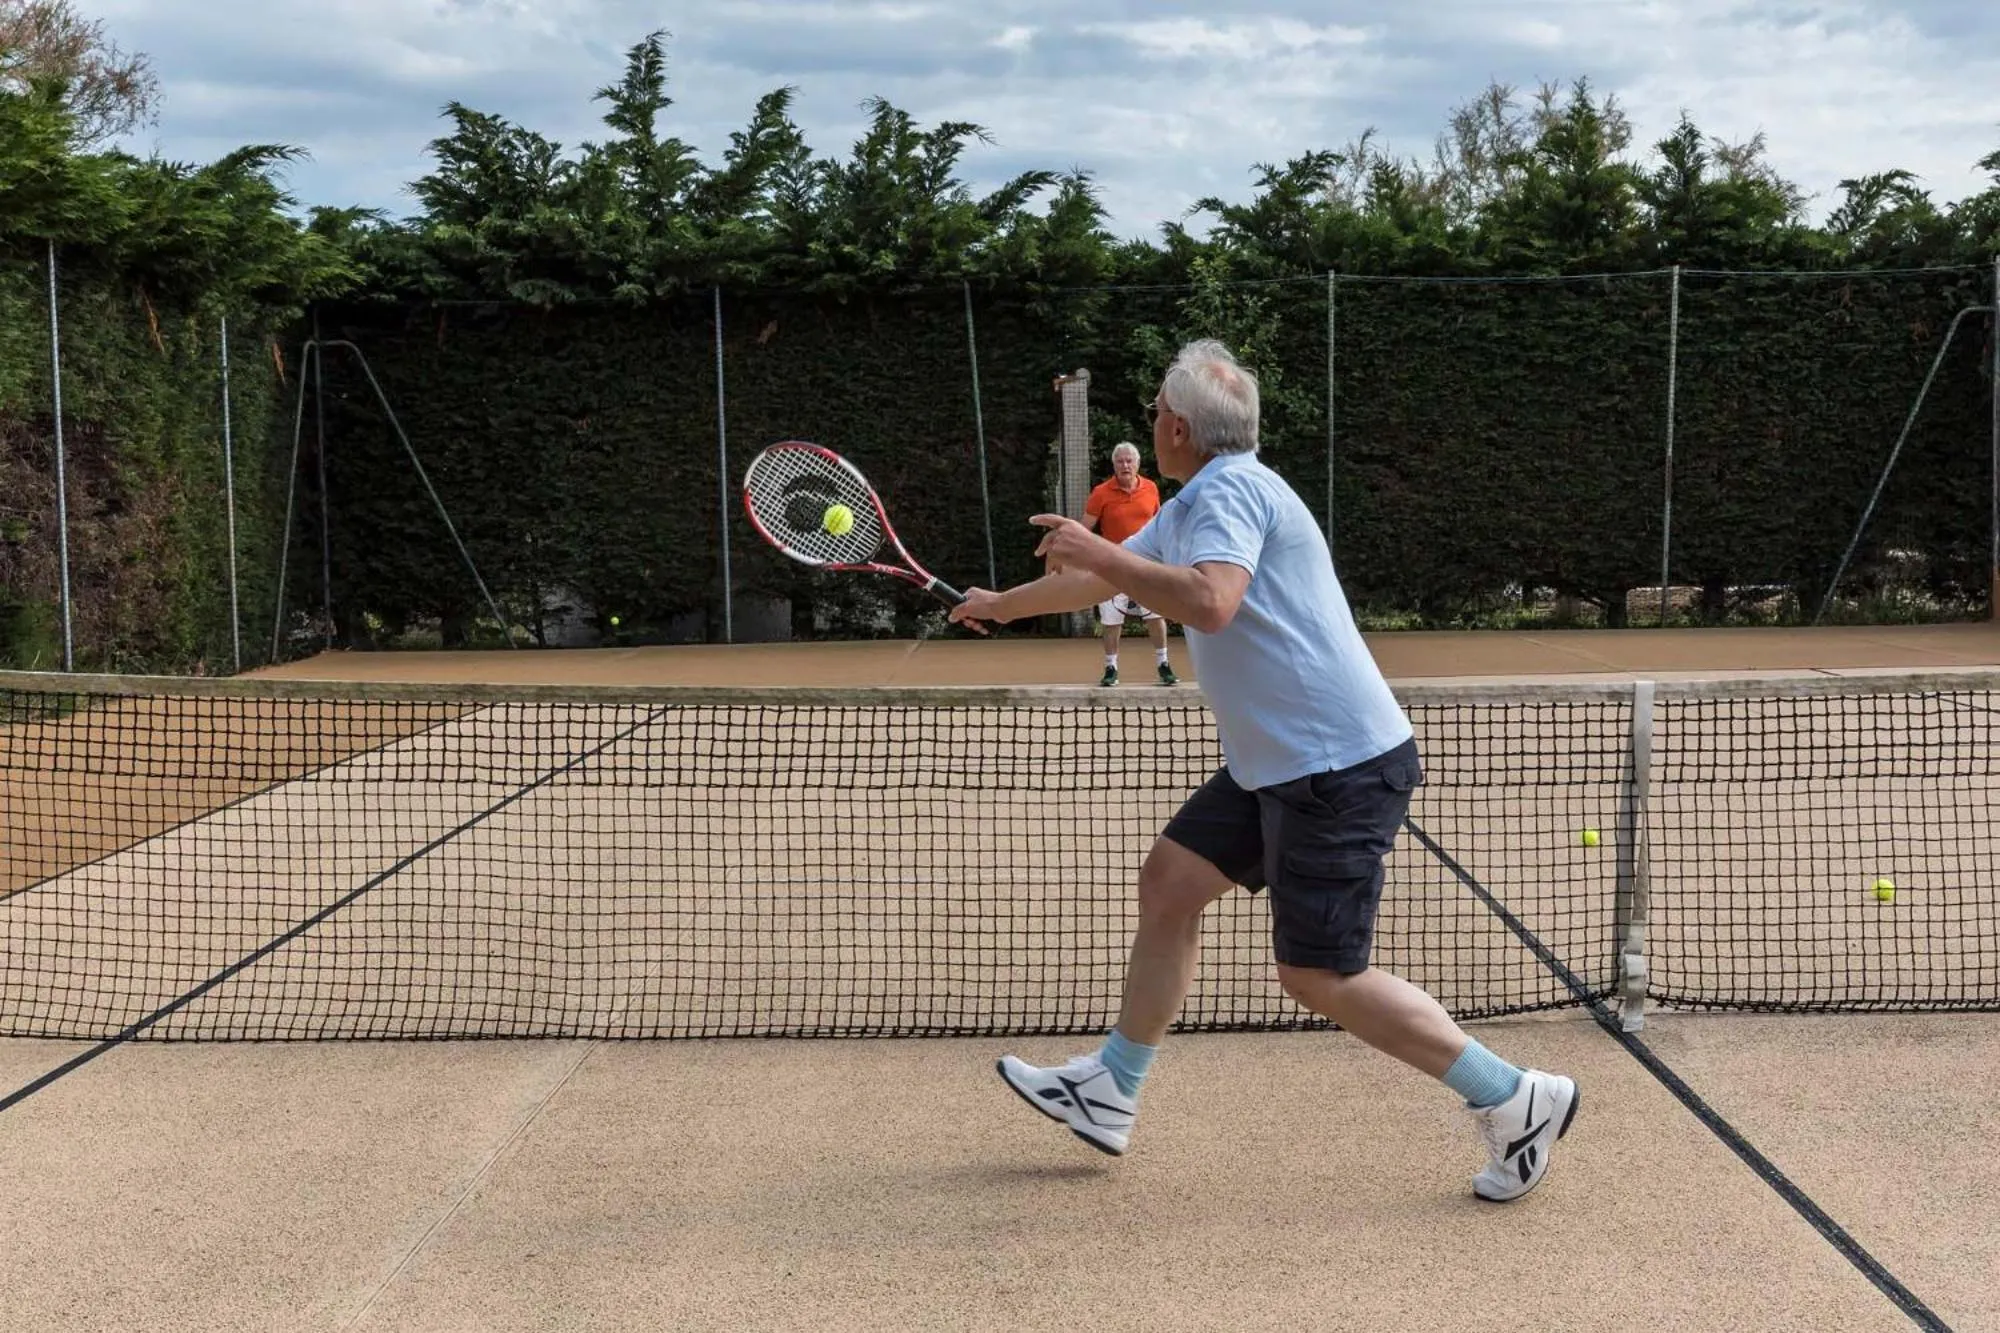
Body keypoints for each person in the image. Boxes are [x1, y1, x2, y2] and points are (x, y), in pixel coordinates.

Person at [949, 339, 1579, 1202]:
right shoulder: (1205, 494)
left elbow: (1209, 599)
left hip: (1334, 768)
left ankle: (1515, 1097)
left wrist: (1100, 556)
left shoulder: (1232, 493)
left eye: (1153, 419)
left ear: (1174, 427)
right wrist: (999, 603)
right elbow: (1116, 588)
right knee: (1170, 884)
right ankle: (1111, 1089)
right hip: (1274, 765)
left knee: (1319, 975)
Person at [1083, 443, 1176, 687]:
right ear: (1114, 465)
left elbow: (1159, 525)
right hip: (1112, 567)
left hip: (1147, 566)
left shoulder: (1151, 489)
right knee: (1111, 621)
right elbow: (1084, 530)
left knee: (1155, 617)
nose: (1125, 465)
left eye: (1129, 461)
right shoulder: (1101, 493)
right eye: (1120, 461)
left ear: (1137, 464)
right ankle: (1111, 668)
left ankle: (1163, 665)